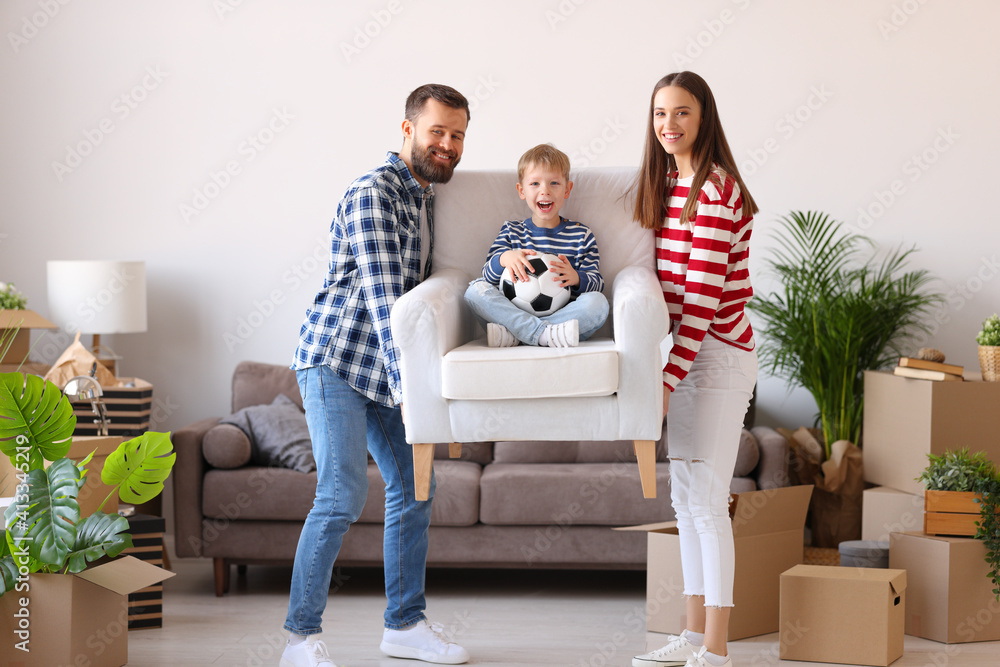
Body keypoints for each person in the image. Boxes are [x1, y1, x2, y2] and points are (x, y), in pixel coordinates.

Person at [280, 84, 472, 667]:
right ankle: (300, 639)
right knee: (340, 494)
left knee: (415, 485)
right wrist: (417, 394)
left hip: (381, 370)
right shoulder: (374, 194)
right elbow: (391, 307)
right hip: (337, 360)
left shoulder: (426, 196)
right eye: (437, 131)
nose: (447, 145)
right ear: (408, 128)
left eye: (458, 135)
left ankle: (405, 626)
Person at [629, 72, 759, 667]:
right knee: (683, 503)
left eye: (682, 113)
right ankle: (689, 634)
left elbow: (703, 301)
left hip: (717, 357)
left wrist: (664, 381)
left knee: (707, 502)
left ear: (704, 117)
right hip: (684, 355)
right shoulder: (668, 185)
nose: (669, 125)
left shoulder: (716, 190)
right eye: (660, 114)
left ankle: (716, 647)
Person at [464, 143, 609, 348]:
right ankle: (543, 334)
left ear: (567, 189)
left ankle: (520, 335)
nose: (545, 191)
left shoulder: (581, 235)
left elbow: (597, 282)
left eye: (554, 183)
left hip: (560, 317)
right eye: (535, 184)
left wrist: (576, 278)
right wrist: (505, 258)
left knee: (598, 303)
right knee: (475, 291)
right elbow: (487, 275)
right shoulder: (511, 231)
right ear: (521, 190)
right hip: (514, 314)